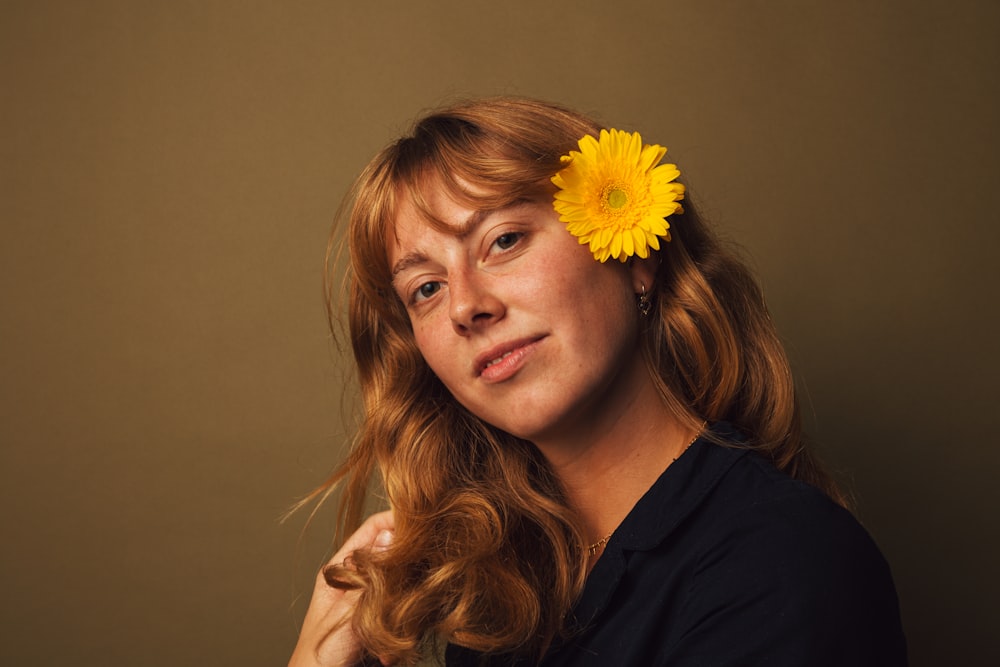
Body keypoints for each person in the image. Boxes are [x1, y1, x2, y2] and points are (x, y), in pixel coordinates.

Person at [289, 97, 907, 666]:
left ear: (634, 255)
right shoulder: (500, 602)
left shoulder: (783, 563)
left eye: (503, 241)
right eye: (426, 288)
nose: (464, 306)